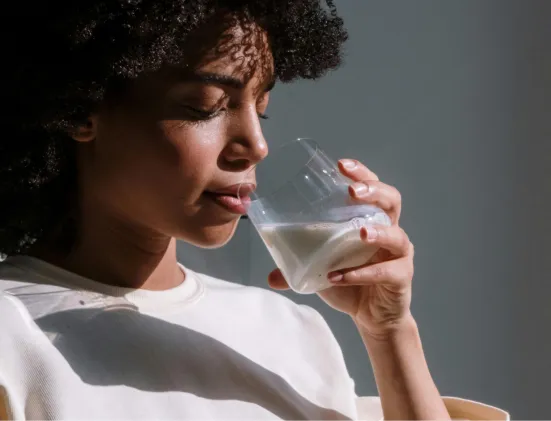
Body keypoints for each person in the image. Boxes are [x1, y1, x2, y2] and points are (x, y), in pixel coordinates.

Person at [0, 1, 508, 420]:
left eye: (261, 108)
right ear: (77, 109)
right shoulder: (10, 334)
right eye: (205, 107)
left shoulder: (290, 330)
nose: (256, 144)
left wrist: (389, 332)